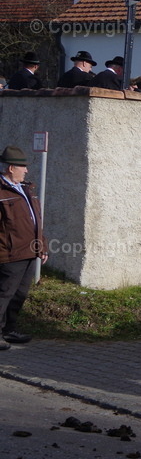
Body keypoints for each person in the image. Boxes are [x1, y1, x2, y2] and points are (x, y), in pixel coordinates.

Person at [0, 146, 47, 350]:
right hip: (10, 253)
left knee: (19, 294)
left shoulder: (26, 189)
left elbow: (35, 221)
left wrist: (42, 246)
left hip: (30, 250)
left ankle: (9, 329)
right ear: (11, 168)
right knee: (4, 293)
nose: (26, 170)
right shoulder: (1, 191)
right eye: (23, 167)